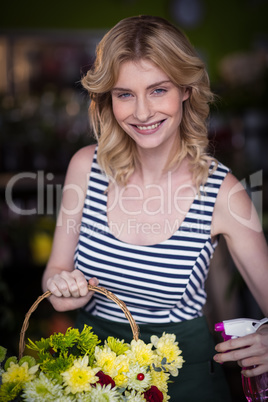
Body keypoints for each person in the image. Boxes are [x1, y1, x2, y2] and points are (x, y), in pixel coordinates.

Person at [42, 15, 268, 401]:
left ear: (185, 89)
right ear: (108, 98)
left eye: (158, 90)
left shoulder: (222, 193)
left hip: (183, 381)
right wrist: (66, 289)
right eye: (124, 94)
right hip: (92, 378)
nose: (142, 112)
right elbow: (56, 280)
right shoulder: (86, 166)